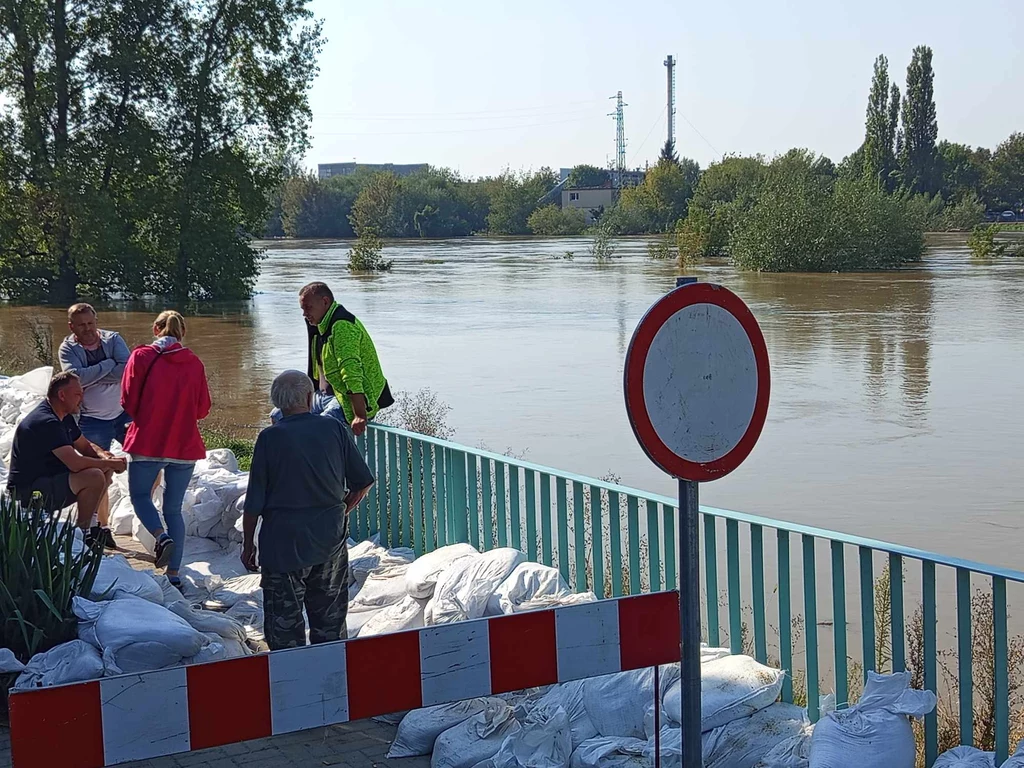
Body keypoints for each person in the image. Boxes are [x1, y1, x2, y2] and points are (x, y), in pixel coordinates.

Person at [243, 370, 374, 650]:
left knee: (284, 627)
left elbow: (254, 501)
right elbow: (364, 481)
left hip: (282, 545)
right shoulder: (334, 429)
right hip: (328, 539)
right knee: (330, 624)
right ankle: (332, 680)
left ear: (278, 403)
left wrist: (247, 545)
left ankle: (289, 684)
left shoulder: (269, 438)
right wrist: (342, 509)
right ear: (308, 397)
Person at [121, 311, 211, 588]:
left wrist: (145, 418)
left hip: (148, 441)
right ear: (182, 332)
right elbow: (203, 409)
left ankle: (161, 538)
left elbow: (126, 399)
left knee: (139, 496)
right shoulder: (194, 363)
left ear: (155, 328)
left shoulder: (140, 356)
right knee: (173, 509)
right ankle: (174, 575)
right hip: (184, 445)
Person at [5, 372, 127, 542]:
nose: (82, 399)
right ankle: (83, 535)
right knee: (94, 476)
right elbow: (75, 464)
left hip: (50, 479)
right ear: (62, 395)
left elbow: (84, 445)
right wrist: (109, 463)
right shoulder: (46, 422)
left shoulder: (64, 416)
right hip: (28, 491)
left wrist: (104, 456)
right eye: (77, 394)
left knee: (103, 467)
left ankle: (92, 525)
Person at [273, 281, 392, 436]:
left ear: (325, 302)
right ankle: (289, 458)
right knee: (277, 415)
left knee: (318, 427)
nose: (304, 314)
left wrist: (360, 415)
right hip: (323, 395)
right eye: (302, 309)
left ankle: (313, 459)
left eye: (308, 307)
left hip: (349, 398)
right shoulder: (320, 324)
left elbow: (351, 371)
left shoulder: (342, 327)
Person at [58, 302, 132, 547]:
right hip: (91, 419)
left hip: (123, 414)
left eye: (91, 323)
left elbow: (127, 370)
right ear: (72, 326)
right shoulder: (67, 348)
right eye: (81, 325)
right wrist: (108, 364)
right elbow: (75, 380)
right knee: (99, 473)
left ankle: (146, 511)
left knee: (148, 457)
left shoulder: (113, 339)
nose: (88, 329)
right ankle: (100, 526)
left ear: (96, 321)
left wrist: (93, 374)